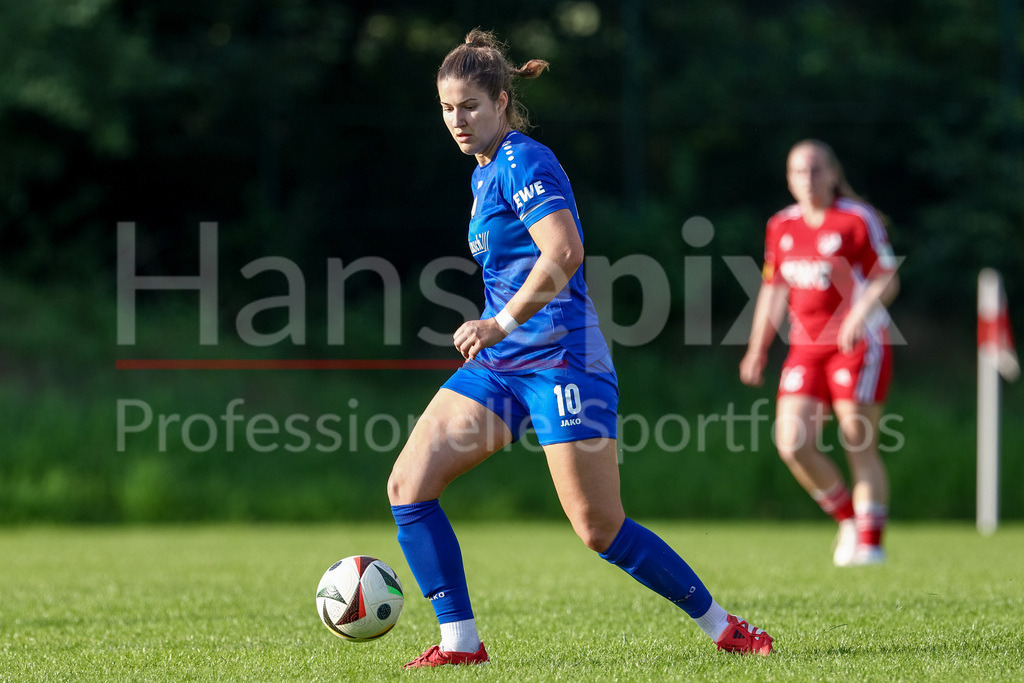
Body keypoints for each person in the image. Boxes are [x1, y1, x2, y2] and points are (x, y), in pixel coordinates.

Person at [387, 29, 773, 669]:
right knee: (409, 486)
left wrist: (498, 322)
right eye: (447, 108)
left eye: (470, 107)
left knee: (599, 528)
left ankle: (724, 627)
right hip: (503, 364)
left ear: (502, 102)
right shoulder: (485, 175)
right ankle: (460, 643)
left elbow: (564, 254)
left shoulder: (522, 161)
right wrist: (496, 331)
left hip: (563, 358)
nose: (457, 120)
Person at [740, 139, 900, 567]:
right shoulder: (781, 226)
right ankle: (849, 520)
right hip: (805, 349)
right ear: (788, 178)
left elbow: (888, 278)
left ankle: (871, 544)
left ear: (831, 174)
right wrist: (757, 348)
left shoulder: (857, 219)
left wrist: (858, 315)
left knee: (856, 440)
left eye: (814, 170)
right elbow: (774, 289)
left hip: (858, 345)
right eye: (797, 172)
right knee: (792, 443)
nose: (806, 180)